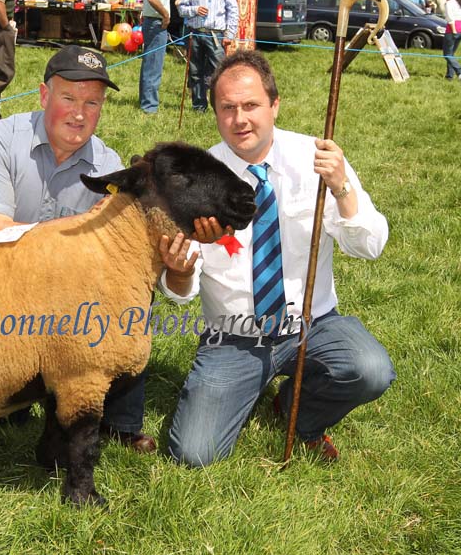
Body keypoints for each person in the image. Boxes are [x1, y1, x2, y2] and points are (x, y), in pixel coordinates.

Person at [164, 50, 396, 467]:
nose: (240, 119)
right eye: (227, 108)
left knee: (370, 369)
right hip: (232, 334)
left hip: (313, 324)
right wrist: (178, 273)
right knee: (194, 454)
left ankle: (298, 412)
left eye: (251, 105)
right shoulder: (194, 180)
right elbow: (181, 291)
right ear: (214, 110)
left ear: (274, 105)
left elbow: (370, 245)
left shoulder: (318, 160)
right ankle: (247, 384)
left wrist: (342, 187)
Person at [0, 45, 198, 453]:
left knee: (127, 296)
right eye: (68, 98)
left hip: (66, 294)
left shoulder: (108, 164)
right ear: (43, 96)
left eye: (92, 102)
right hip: (3, 284)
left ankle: (120, 421)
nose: (79, 113)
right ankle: (11, 387)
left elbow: (118, 254)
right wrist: (77, 243)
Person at [175, 0, 238, 112]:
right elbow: (181, 9)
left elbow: (233, 10)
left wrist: (230, 34)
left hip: (215, 35)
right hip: (194, 34)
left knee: (220, 71)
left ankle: (223, 105)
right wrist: (194, 9)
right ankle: (198, 106)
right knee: (195, 71)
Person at [138, 0, 176, 114]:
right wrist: (165, 15)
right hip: (156, 22)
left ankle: (145, 101)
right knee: (154, 64)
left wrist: (144, 12)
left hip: (149, 20)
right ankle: (149, 106)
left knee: (148, 62)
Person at [441, 0, 461, 80]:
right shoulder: (458, 2)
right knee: (451, 54)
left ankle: (459, 71)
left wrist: (453, 31)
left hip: (452, 29)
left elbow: (450, 18)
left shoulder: (448, 3)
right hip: (460, 28)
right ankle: (449, 76)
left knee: (447, 54)